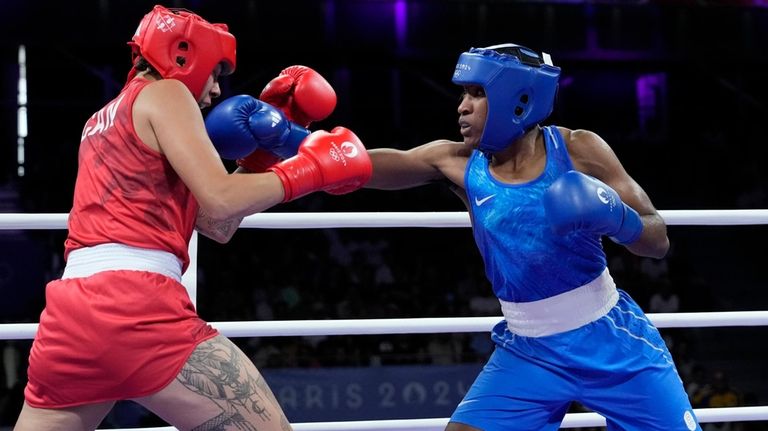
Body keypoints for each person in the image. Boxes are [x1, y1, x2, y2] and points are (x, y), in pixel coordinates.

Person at [14, 5, 371, 431]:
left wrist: (260, 155)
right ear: (184, 55)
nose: (217, 91)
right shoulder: (167, 94)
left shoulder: (102, 119)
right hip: (135, 308)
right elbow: (221, 200)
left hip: (68, 318)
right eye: (216, 73)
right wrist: (313, 167)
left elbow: (215, 225)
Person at [365, 43, 701, 431]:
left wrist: (614, 215)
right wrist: (299, 145)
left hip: (610, 342)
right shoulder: (456, 161)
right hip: (528, 350)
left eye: (477, 93)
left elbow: (658, 240)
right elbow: (371, 167)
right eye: (463, 93)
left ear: (518, 97)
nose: (462, 106)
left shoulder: (578, 149)